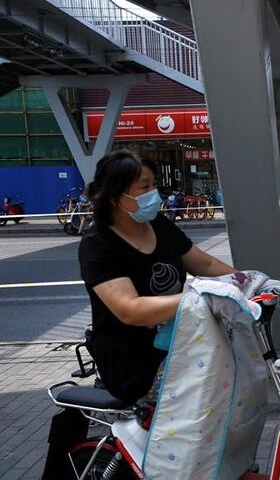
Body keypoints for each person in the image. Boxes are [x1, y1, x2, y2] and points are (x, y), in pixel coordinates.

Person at [78, 149, 237, 404]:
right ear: (116, 195)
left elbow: (203, 263)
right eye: (144, 186)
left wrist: (244, 280)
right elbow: (131, 309)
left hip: (179, 346)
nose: (154, 193)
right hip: (134, 365)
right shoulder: (98, 244)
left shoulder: (159, 225)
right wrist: (201, 297)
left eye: (154, 185)